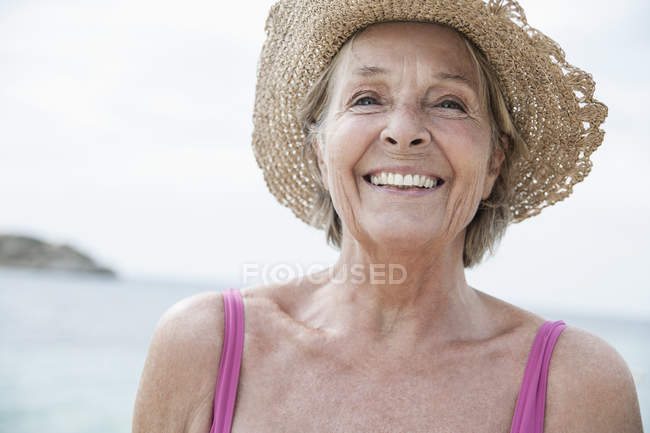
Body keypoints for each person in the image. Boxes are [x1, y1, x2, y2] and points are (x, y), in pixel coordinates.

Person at [132, 1, 644, 432]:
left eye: (448, 103)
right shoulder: (205, 344)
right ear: (319, 152)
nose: (404, 131)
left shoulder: (577, 384)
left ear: (494, 161)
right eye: (367, 98)